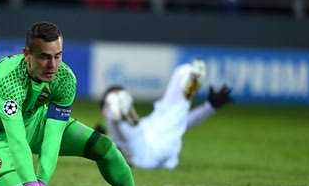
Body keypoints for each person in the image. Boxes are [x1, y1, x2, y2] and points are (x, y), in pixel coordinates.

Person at [0, 21, 173, 186]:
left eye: (57, 56)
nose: (52, 65)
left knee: (103, 147)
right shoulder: (8, 82)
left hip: (34, 121)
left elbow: (53, 138)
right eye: (44, 57)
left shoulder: (65, 79)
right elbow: (17, 140)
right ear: (27, 54)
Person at [98, 59, 232, 170]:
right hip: (145, 153)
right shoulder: (114, 134)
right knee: (124, 133)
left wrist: (210, 107)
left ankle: (189, 76)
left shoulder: (147, 121)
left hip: (153, 138)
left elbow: (183, 122)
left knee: (183, 71)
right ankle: (115, 106)